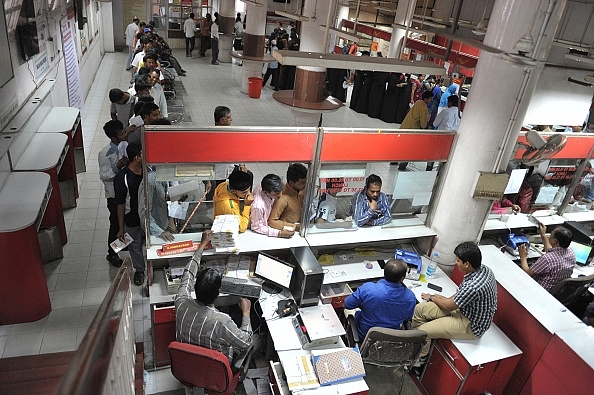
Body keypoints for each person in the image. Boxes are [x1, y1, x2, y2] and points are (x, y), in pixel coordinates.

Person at [175, 230, 253, 364]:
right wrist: (246, 313)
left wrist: (201, 246)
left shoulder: (181, 302)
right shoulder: (222, 322)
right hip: (216, 370)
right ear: (217, 294)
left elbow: (188, 274)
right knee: (256, 341)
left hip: (189, 364)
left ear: (195, 287)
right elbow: (245, 342)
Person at [412, 242, 497, 357]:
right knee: (420, 309)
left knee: (423, 333)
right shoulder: (484, 270)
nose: (456, 263)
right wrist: (440, 299)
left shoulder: (473, 286)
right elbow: (459, 295)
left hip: (470, 324)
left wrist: (433, 297)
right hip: (463, 308)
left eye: (458, 261)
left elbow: (448, 306)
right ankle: (414, 342)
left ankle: (418, 357)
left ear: (467, 264)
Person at [344, 259, 416, 339]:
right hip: (391, 338)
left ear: (384, 272)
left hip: (365, 336)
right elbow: (408, 317)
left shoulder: (368, 289)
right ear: (402, 278)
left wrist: (364, 305)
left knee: (347, 311)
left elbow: (347, 304)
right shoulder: (410, 297)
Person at [98, 120, 131, 267]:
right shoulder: (105, 154)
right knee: (116, 224)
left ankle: (124, 244)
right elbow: (104, 176)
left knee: (127, 221)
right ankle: (112, 253)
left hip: (126, 191)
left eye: (124, 131)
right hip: (113, 195)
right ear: (113, 138)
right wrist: (117, 167)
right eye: (122, 133)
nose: (125, 134)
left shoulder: (124, 146)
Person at [114, 142, 146, 286]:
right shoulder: (122, 178)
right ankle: (139, 270)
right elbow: (120, 204)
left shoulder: (147, 171)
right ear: (137, 157)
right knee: (135, 246)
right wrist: (121, 228)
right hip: (132, 218)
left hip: (149, 216)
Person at [518, 224, 575, 291]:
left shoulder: (547, 259)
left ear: (555, 241)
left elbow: (527, 272)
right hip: (555, 291)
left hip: (538, 290)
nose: (550, 235)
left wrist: (523, 257)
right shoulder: (571, 252)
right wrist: (543, 235)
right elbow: (550, 251)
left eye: (551, 234)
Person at [250, 174, 294, 238]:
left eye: (280, 191)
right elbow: (257, 227)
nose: (280, 195)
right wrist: (279, 233)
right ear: (265, 192)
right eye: (276, 194)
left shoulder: (264, 185)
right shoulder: (258, 207)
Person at [268, 163, 308, 232]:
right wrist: (294, 227)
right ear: (291, 183)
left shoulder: (302, 191)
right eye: (302, 183)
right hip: (291, 232)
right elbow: (272, 221)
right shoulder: (282, 197)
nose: (305, 184)